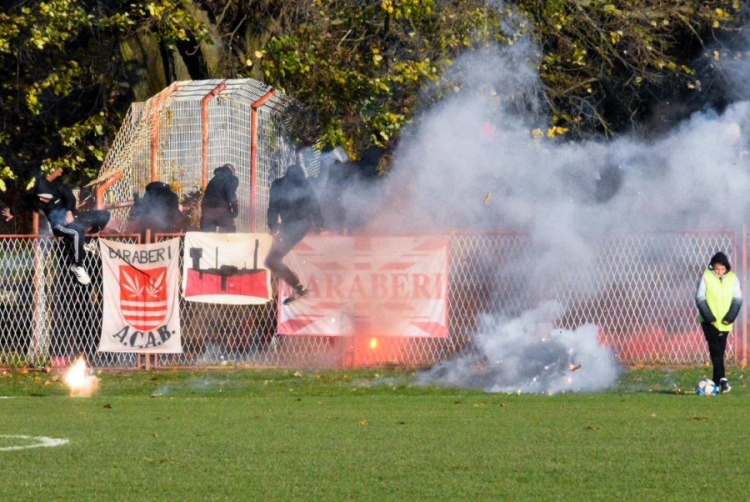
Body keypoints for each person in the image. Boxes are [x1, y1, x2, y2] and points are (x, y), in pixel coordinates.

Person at [4, 175, 110, 285]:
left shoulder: (59, 189)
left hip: (74, 217)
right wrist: (12, 212)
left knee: (104, 215)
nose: (42, 200)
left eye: (45, 197)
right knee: (76, 232)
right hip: (58, 225)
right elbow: (23, 202)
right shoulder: (35, 199)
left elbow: (71, 198)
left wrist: (69, 212)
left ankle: (86, 242)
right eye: (40, 197)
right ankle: (77, 266)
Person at [265, 163, 325, 305]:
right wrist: (320, 226)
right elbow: (314, 205)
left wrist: (273, 226)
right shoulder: (305, 184)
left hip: (291, 227)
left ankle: (299, 287)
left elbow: (272, 207)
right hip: (300, 226)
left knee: (272, 260)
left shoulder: (278, 184)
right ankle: (298, 286)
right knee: (273, 260)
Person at [695, 251, 742, 393]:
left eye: (722, 269)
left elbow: (737, 299)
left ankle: (716, 383)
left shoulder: (733, 278)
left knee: (719, 352)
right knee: (715, 348)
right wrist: (710, 318)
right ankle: (723, 379)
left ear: (727, 268)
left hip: (725, 322)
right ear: (712, 267)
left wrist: (730, 317)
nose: (720, 272)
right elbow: (700, 298)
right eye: (717, 269)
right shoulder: (706, 276)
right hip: (709, 322)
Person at [200, 163, 239, 232]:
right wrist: (235, 211)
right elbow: (231, 195)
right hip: (221, 211)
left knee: (207, 237)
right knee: (230, 232)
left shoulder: (213, 180)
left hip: (207, 212)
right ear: (232, 171)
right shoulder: (230, 178)